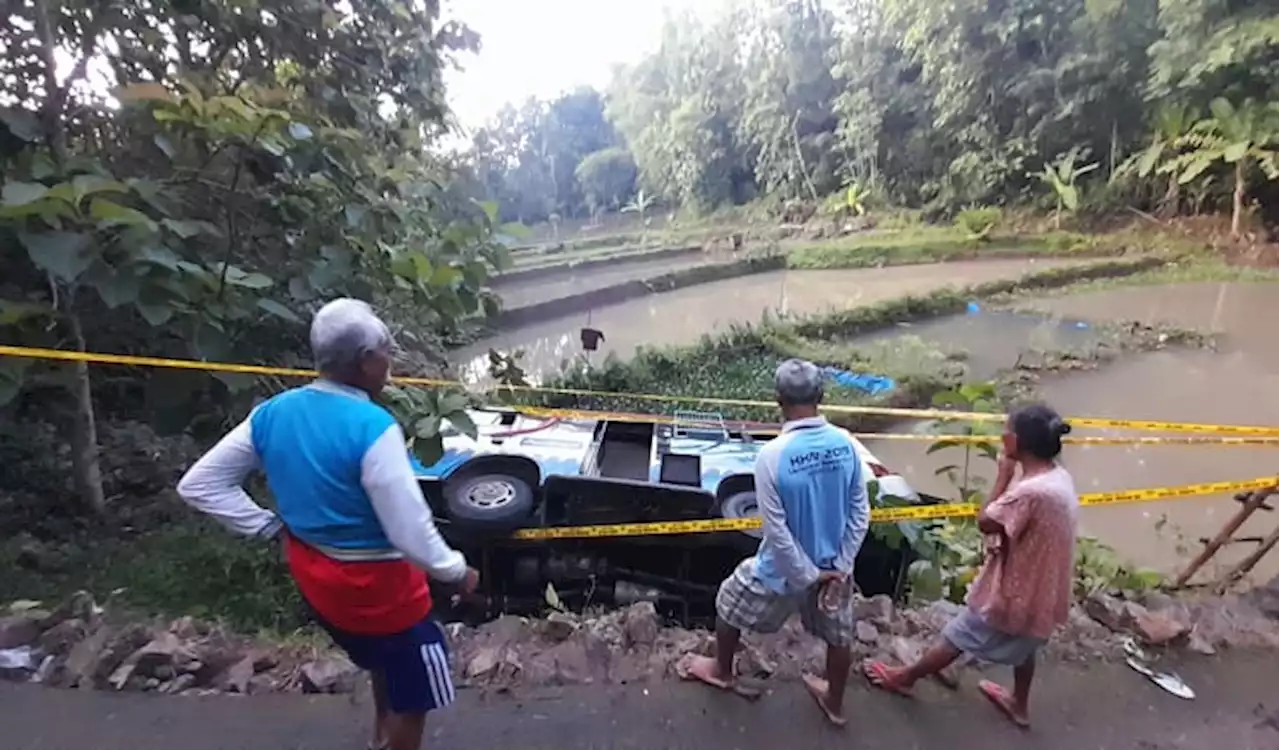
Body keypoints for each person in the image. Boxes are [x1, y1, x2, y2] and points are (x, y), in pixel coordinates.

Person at [177, 298, 477, 750]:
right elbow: (409, 530)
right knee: (417, 689)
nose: (390, 362)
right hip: (381, 594)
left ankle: (378, 738)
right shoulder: (373, 426)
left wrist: (270, 527)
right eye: (386, 353)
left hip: (318, 584)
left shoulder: (273, 412)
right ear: (365, 361)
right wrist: (456, 570)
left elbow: (199, 484)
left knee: (381, 660)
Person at [862, 403, 1079, 730]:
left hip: (1017, 589)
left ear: (1016, 442)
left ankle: (905, 678)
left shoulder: (1029, 492)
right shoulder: (1057, 478)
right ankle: (1019, 704)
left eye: (1008, 430)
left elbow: (985, 521)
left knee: (960, 633)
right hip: (1043, 588)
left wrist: (1003, 475)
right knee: (1027, 643)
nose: (1003, 435)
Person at [679, 358, 870, 727]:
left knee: (729, 601)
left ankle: (721, 669)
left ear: (778, 400)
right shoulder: (846, 444)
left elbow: (776, 531)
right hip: (836, 569)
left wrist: (808, 575)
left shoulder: (772, 455)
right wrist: (839, 567)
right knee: (839, 633)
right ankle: (835, 701)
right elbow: (860, 513)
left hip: (784, 570)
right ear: (822, 396)